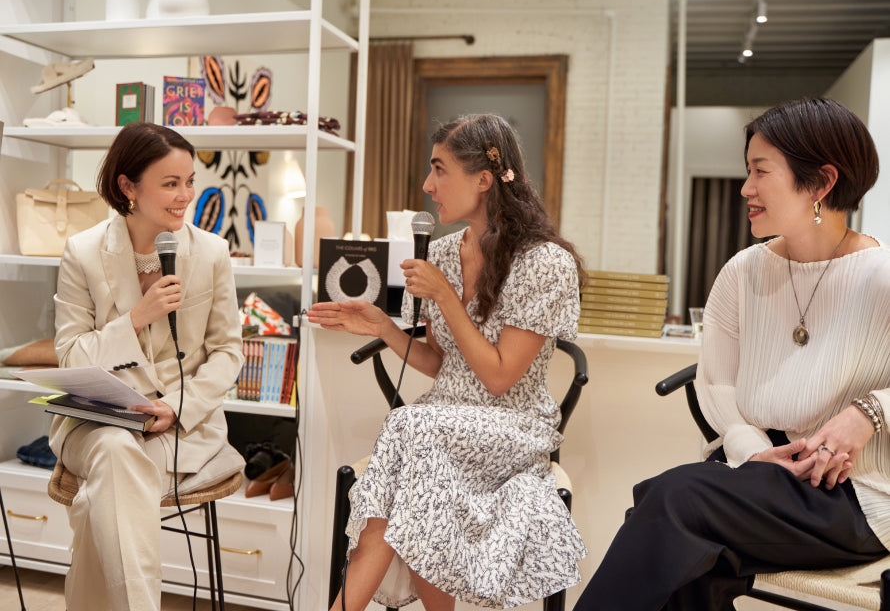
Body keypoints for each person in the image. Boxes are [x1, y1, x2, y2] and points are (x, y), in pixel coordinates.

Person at [574, 97, 890, 610]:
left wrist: (868, 413)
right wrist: (752, 450)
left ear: (821, 182)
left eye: (760, 171)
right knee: (680, 546)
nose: (745, 187)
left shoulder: (882, 276)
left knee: (672, 501)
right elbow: (718, 382)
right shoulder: (743, 272)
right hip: (757, 475)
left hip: (853, 496)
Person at [309, 113, 587, 610]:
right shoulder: (439, 252)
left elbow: (500, 378)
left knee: (408, 427)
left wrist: (447, 298)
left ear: (483, 180)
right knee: (415, 450)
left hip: (514, 426)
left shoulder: (545, 262)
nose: (427, 184)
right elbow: (445, 366)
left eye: (439, 169)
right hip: (441, 426)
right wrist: (383, 327)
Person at [51, 122, 245, 611]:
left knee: (105, 494)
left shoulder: (212, 253)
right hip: (95, 420)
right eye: (170, 184)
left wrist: (176, 406)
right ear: (128, 187)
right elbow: (70, 355)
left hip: (181, 425)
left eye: (190, 181)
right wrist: (137, 318)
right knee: (116, 449)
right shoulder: (83, 252)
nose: (186, 197)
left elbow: (227, 352)